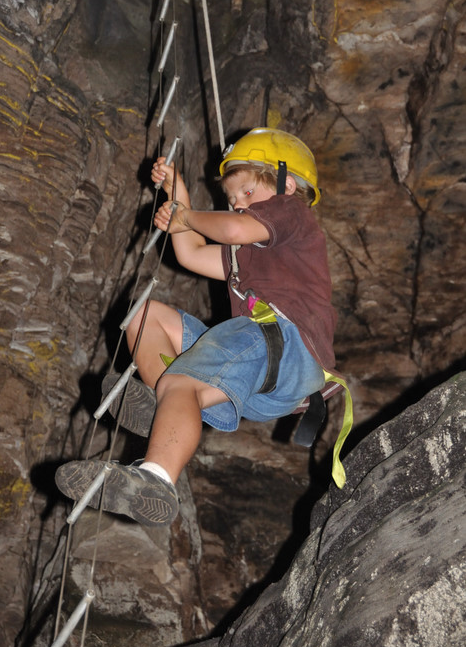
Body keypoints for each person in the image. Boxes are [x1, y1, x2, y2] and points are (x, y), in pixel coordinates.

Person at [55, 127, 339, 527]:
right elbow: (190, 253)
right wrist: (178, 193)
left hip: (285, 345)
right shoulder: (247, 252)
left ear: (285, 183)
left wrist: (187, 216)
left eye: (247, 194)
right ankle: (166, 407)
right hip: (259, 367)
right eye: (231, 199)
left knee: (184, 379)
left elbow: (235, 229)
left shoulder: (292, 213)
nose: (238, 205)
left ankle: (154, 480)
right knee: (144, 315)